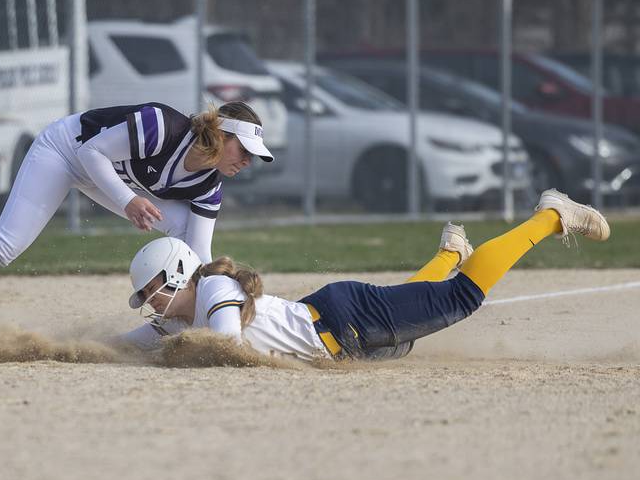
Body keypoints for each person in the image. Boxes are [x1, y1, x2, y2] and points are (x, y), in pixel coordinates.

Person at [0, 101, 275, 352]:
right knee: (5, 244)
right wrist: (127, 201)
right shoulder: (162, 124)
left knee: (186, 235)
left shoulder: (210, 184)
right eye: (244, 151)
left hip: (110, 178)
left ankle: (171, 325)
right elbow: (91, 152)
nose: (248, 162)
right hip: (65, 152)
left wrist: (217, 308)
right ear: (222, 136)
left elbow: (201, 258)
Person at [117, 189, 609, 361]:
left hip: (346, 320)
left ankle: (552, 216)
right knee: (409, 328)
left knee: (461, 299)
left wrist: (171, 350)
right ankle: (450, 253)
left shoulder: (216, 290)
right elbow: (124, 342)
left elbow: (223, 348)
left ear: (177, 275)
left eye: (151, 291)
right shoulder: (177, 321)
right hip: (344, 331)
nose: (150, 302)